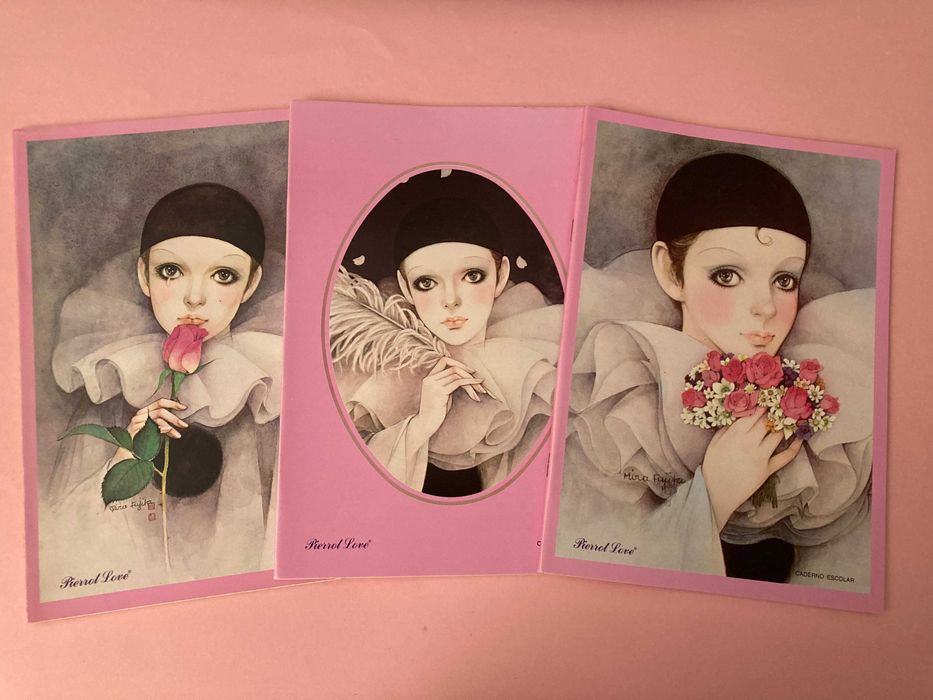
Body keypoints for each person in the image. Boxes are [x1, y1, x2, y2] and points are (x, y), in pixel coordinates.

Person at [558, 154, 873, 587]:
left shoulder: (822, 416)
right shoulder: (616, 411)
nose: (765, 307)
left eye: (784, 280)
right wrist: (715, 494)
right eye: (727, 275)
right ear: (671, 271)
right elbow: (597, 575)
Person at [42, 183, 283, 598]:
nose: (195, 297)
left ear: (251, 283)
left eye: (223, 276)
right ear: (144, 275)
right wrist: (124, 458)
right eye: (171, 271)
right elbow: (64, 548)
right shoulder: (115, 382)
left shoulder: (267, 391)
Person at [332, 181, 562, 498]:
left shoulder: (537, 366)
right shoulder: (380, 375)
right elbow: (350, 492)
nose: (451, 300)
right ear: (405, 287)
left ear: (501, 276)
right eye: (426, 282)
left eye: (472, 276)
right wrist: (421, 425)